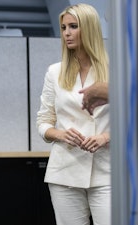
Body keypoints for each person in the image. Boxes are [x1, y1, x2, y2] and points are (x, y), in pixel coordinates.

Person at [36, 3, 110, 225]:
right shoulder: (54, 72)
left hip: (107, 170)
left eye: (73, 26)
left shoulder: (115, 68)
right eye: (64, 27)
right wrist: (60, 134)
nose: (67, 33)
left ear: (88, 28)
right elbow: (43, 121)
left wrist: (105, 137)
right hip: (65, 171)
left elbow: (132, 118)